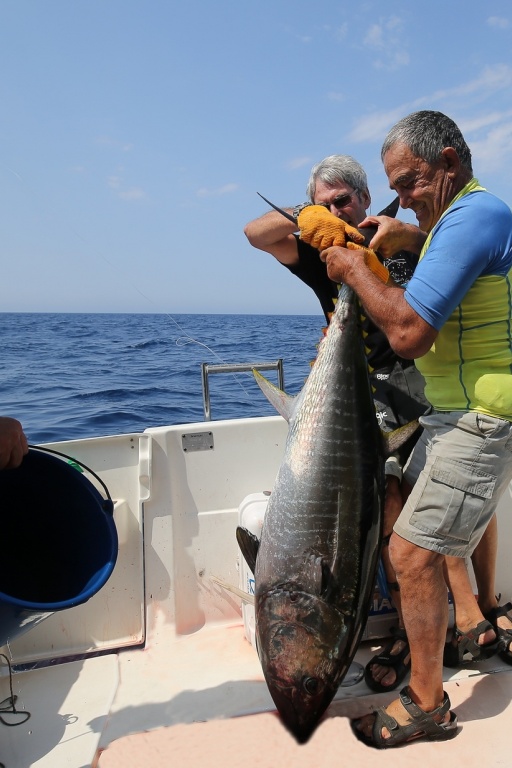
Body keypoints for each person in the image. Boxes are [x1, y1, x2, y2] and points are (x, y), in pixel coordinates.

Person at [315, 111, 512, 747]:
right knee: (421, 539)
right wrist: (404, 239)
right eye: (396, 186)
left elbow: (407, 332)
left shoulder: (475, 216)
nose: (404, 197)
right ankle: (469, 629)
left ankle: (428, 702)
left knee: (409, 553)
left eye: (414, 182)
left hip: (483, 418)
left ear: (450, 163)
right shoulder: (457, 221)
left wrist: (352, 270)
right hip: (451, 414)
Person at [245, 155, 430, 692]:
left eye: (343, 201)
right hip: (362, 388)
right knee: (388, 500)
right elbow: (255, 233)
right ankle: (400, 622)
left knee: (432, 497)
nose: (336, 210)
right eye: (326, 201)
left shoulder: (400, 235)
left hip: (422, 378)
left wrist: (400, 238)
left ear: (367, 198)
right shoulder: (318, 246)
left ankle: (470, 611)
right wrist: (309, 216)